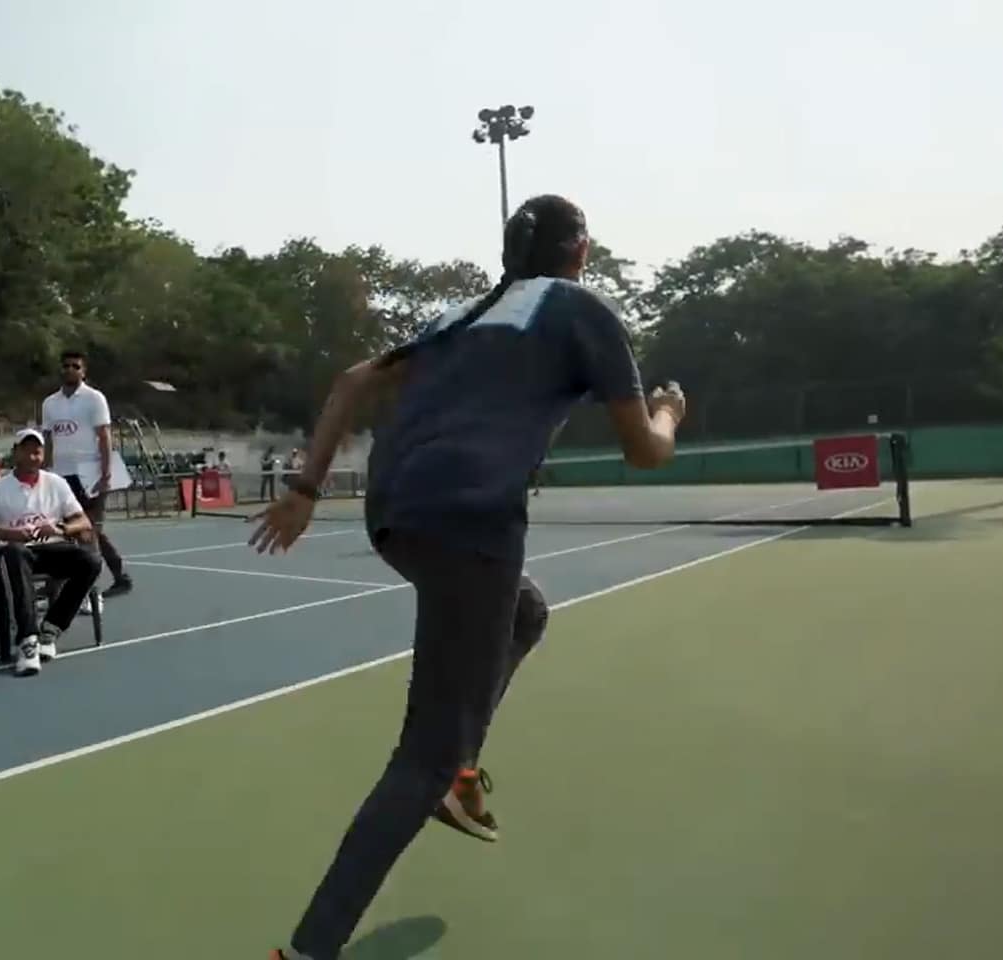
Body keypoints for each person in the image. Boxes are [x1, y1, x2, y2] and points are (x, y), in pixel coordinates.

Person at [250, 195, 688, 960]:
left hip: (395, 514)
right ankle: (308, 949)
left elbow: (352, 383)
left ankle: (462, 770)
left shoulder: (460, 314)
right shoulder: (582, 310)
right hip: (470, 522)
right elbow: (645, 452)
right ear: (580, 252)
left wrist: (305, 489)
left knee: (525, 616)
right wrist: (668, 411)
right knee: (417, 757)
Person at [0, 428, 102, 677]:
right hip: (17, 552)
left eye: (38, 451)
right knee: (12, 554)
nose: (34, 456)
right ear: (16, 453)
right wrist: (5, 534)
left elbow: (83, 522)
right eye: (28, 451)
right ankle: (27, 641)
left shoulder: (56, 483)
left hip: (52, 548)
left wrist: (60, 527)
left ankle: (51, 628)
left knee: (90, 561)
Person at [41, 348, 132, 597]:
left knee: (90, 530)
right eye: (67, 365)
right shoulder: (50, 403)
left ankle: (109, 580)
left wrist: (106, 474)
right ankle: (56, 582)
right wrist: (44, 472)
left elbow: (104, 437)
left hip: (89, 473)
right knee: (64, 529)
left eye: (76, 366)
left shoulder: (94, 399)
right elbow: (48, 439)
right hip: (60, 474)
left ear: (84, 371)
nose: (71, 370)